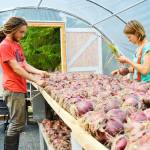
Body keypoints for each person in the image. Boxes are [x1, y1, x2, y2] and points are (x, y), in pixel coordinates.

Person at [0, 17, 49, 150]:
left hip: (19, 88)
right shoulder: (4, 46)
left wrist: (39, 72)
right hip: (13, 89)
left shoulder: (16, 44)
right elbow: (16, 68)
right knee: (16, 124)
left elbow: (24, 64)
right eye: (21, 32)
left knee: (18, 123)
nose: (23, 35)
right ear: (13, 29)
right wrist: (36, 80)